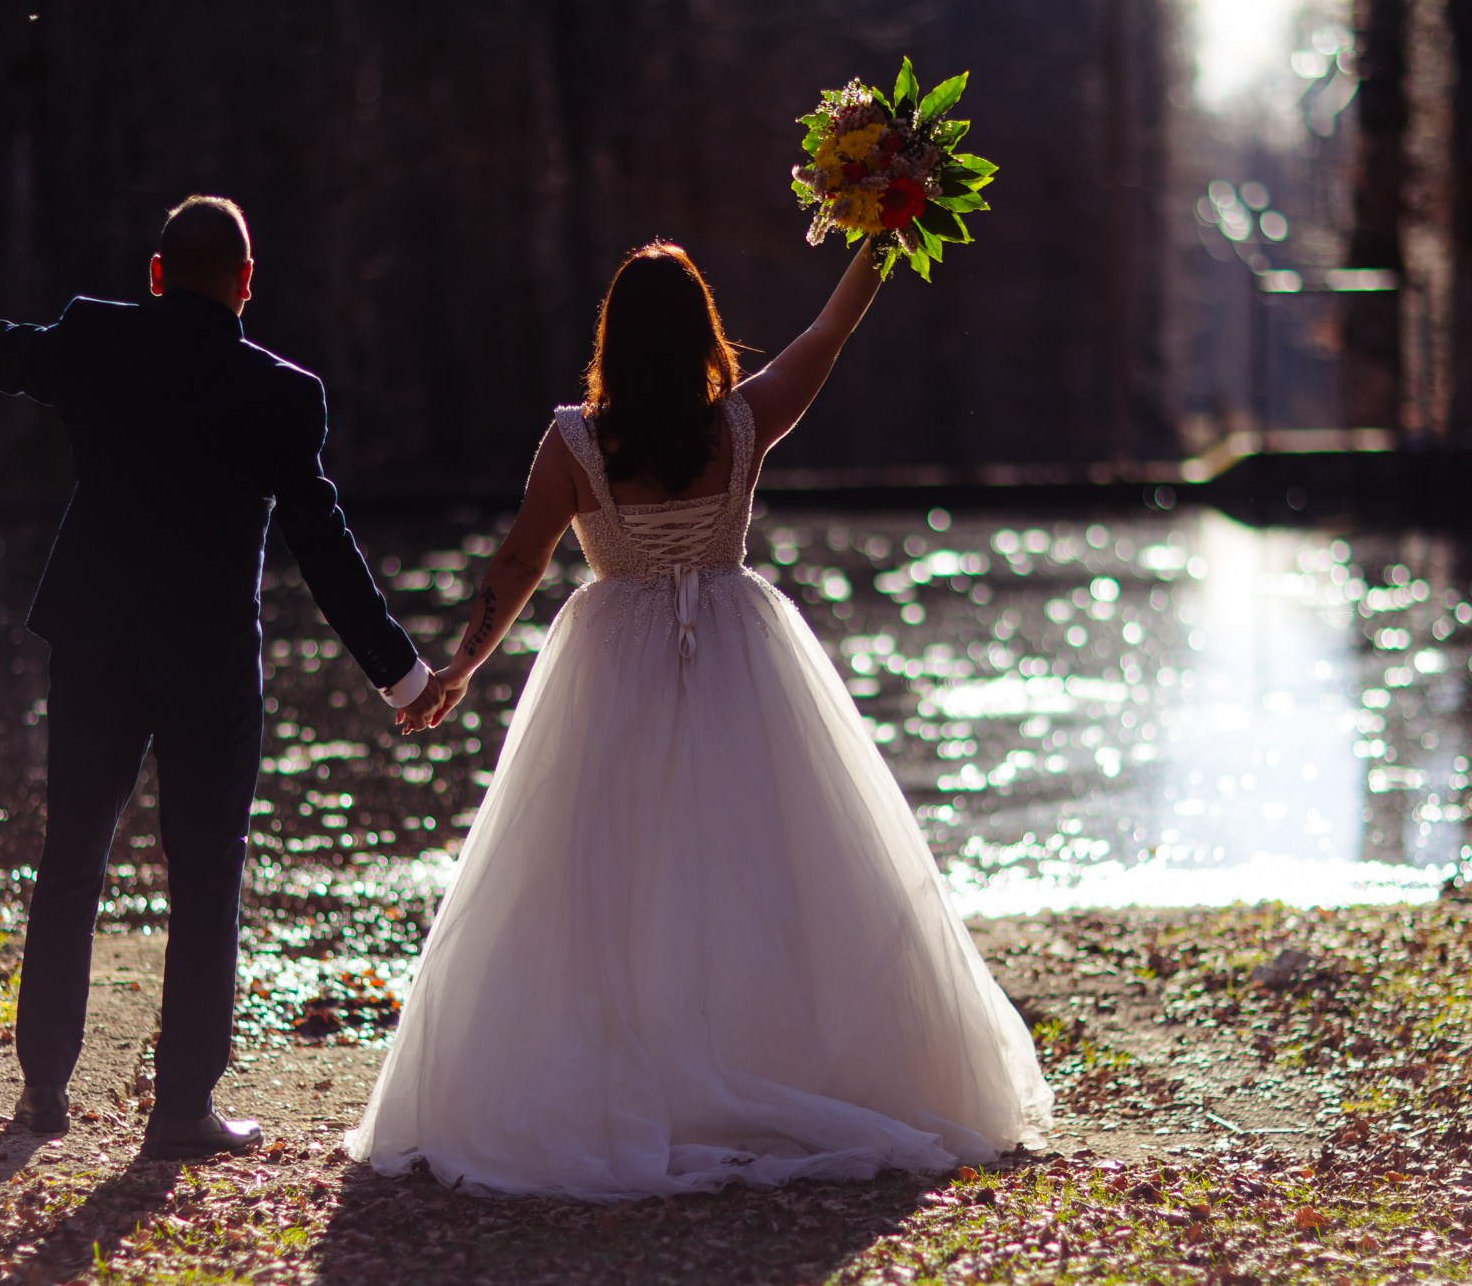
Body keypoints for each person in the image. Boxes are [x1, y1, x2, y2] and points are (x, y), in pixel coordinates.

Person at [352, 239, 1053, 1197]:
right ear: (702, 336)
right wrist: (882, 232)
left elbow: (518, 562)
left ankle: (635, 1063)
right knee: (757, 867)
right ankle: (766, 1059)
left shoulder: (574, 442)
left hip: (612, 660)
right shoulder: (745, 419)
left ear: (613, 338)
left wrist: (460, 667)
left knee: (606, 872)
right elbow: (829, 329)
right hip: (738, 649)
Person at [0, 143, 442, 1161]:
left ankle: (42, 1095)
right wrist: (402, 676)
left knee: (71, 859)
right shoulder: (282, 395)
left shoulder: (94, 341)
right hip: (208, 663)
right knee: (205, 880)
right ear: (245, 284)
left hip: (99, 640)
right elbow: (323, 547)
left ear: (156, 277)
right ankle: (180, 1112)